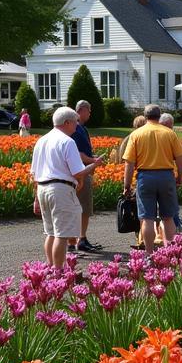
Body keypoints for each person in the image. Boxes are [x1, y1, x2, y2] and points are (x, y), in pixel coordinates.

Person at [30, 106, 102, 269]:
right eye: (75, 122)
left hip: (42, 188)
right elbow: (78, 173)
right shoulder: (67, 142)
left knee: (50, 232)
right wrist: (95, 164)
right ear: (67, 122)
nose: (77, 126)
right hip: (60, 189)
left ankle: (50, 266)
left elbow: (33, 173)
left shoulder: (41, 141)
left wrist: (35, 198)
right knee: (61, 235)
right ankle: (58, 270)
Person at [122, 104, 182, 252]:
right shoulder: (169, 133)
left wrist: (126, 185)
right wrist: (180, 176)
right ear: (159, 116)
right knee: (168, 217)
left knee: (147, 218)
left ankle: (149, 253)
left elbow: (129, 163)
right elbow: (181, 158)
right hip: (166, 175)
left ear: (145, 117)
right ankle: (171, 253)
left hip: (145, 176)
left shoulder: (137, 134)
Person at [71, 100, 101, 253]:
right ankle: (79, 239)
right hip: (81, 173)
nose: (90, 114)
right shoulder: (75, 129)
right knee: (83, 207)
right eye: (89, 111)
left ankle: (79, 238)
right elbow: (77, 154)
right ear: (82, 110)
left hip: (84, 170)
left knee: (83, 207)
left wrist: (92, 158)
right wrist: (94, 161)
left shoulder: (82, 128)